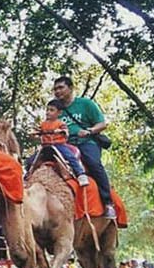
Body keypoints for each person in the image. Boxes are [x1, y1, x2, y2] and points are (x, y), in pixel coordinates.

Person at [52, 77, 115, 218]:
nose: (57, 91)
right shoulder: (55, 109)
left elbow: (102, 124)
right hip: (63, 144)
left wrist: (89, 131)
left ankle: (108, 202)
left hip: (86, 142)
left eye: (61, 88)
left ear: (71, 88)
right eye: (55, 89)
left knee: (94, 164)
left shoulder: (85, 104)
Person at [33, 99, 89, 186]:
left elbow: (65, 131)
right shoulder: (43, 124)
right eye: (47, 110)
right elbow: (37, 131)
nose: (48, 112)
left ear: (59, 113)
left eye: (51, 110)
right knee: (32, 160)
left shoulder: (60, 123)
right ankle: (28, 175)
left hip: (58, 145)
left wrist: (61, 131)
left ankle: (80, 174)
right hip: (46, 147)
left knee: (70, 157)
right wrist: (35, 133)